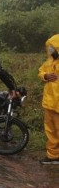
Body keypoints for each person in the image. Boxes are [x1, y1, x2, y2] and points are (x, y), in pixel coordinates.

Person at [37, 34, 59, 165]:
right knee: (50, 131)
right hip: (49, 102)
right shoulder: (49, 61)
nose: (50, 50)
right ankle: (53, 155)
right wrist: (45, 75)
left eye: (52, 47)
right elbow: (40, 71)